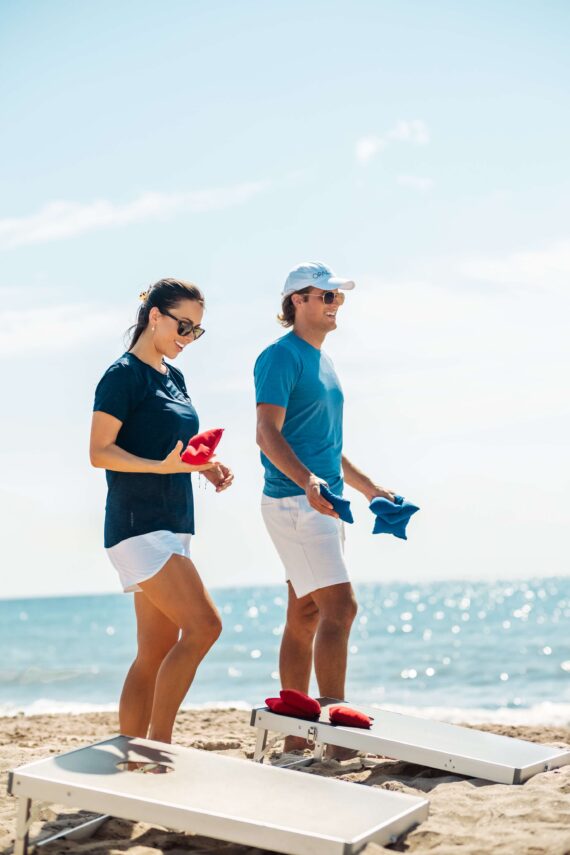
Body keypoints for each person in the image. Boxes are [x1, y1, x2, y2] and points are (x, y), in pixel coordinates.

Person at [254, 262, 394, 751]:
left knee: (306, 613)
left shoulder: (322, 360)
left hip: (321, 503)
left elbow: (325, 443)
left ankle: (295, 736)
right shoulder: (280, 357)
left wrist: (369, 487)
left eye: (339, 297)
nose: (336, 305)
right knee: (341, 607)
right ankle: (335, 729)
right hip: (296, 502)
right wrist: (307, 481)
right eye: (326, 296)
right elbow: (266, 433)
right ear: (298, 300)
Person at [90, 277, 233, 744]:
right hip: (137, 524)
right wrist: (160, 466)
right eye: (184, 326)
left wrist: (202, 464)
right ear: (155, 315)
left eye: (197, 331)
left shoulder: (174, 377)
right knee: (205, 626)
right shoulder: (121, 376)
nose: (188, 338)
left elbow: (172, 447)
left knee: (153, 651)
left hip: (174, 522)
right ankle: (159, 746)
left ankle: (133, 754)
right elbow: (100, 452)